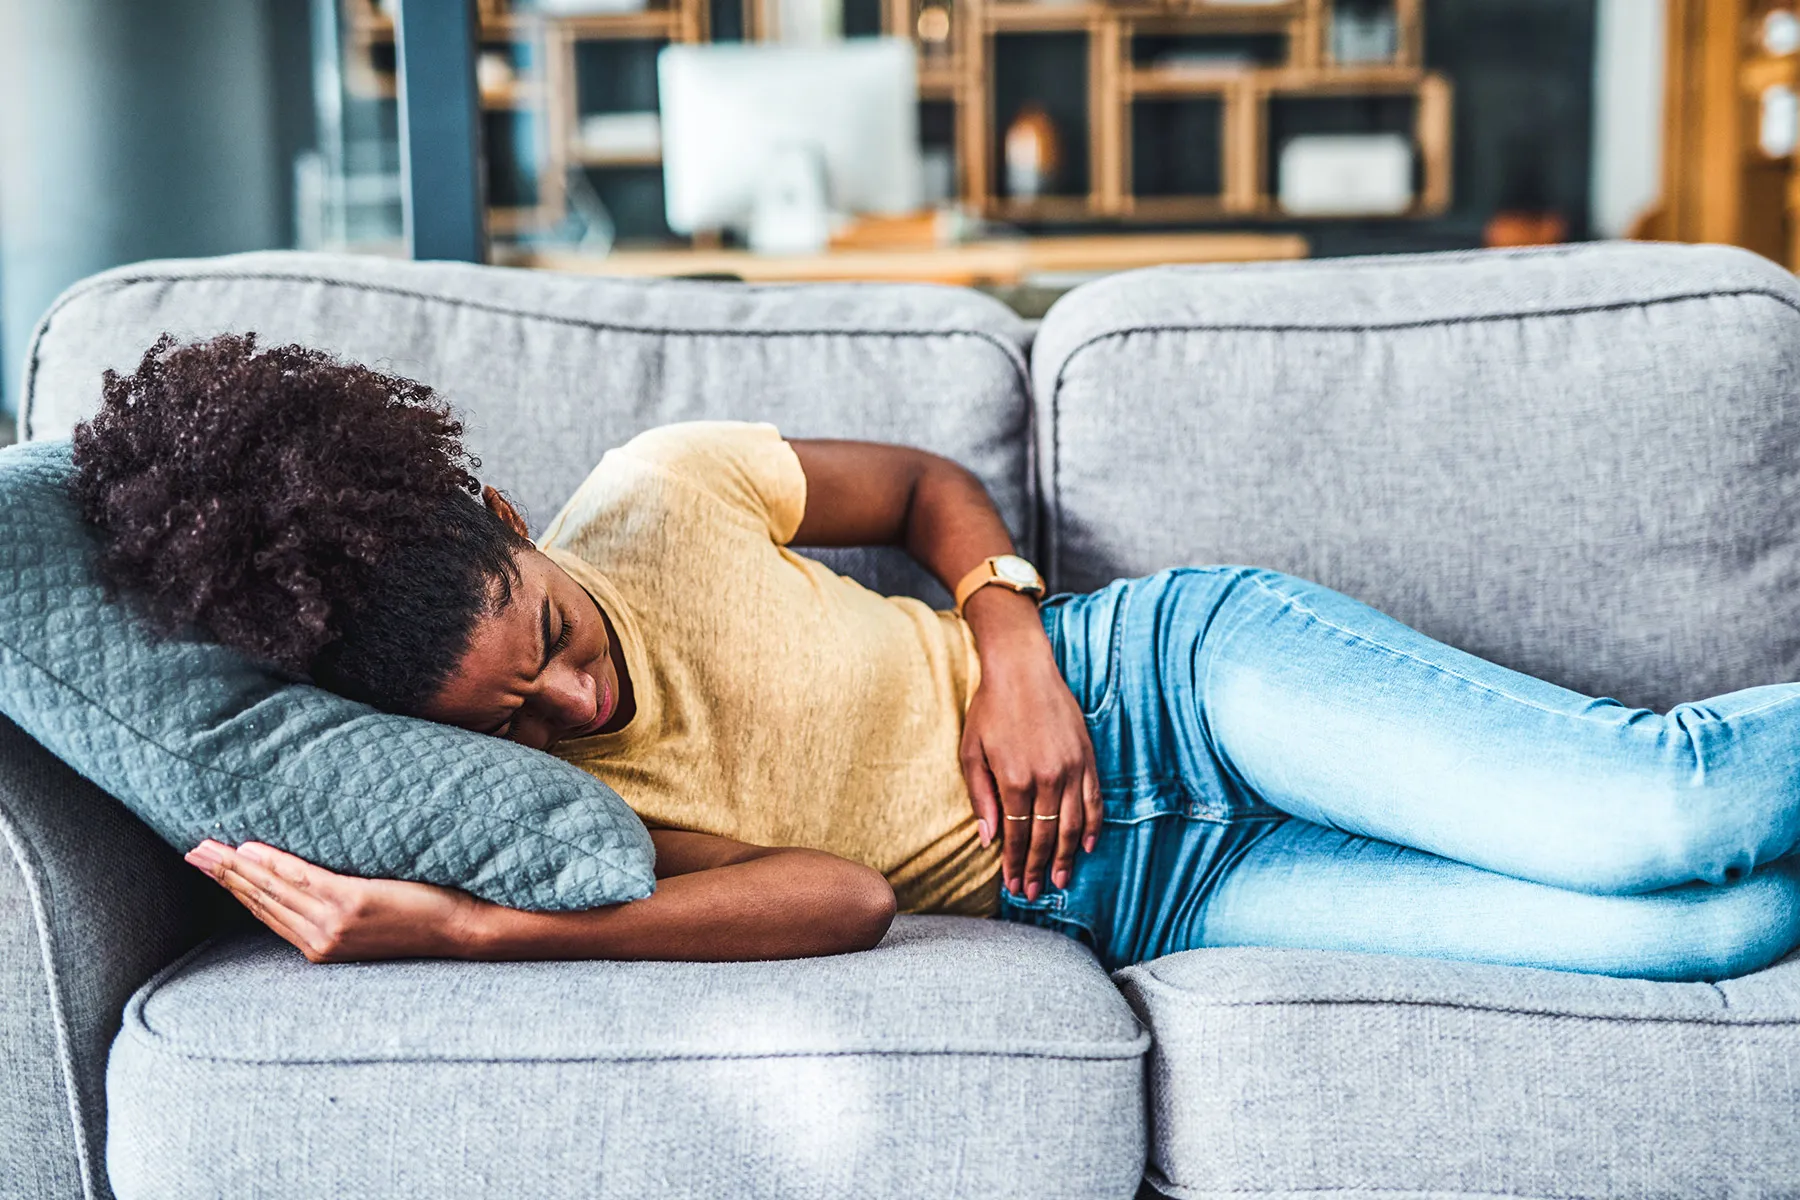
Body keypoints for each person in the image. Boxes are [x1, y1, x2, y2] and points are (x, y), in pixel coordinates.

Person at [73, 333, 1800, 981]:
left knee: (1651, 822)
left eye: (555, 641)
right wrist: (467, 928)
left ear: (512, 520)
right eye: (525, 715)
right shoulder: (512, 810)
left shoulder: (658, 494)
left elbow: (917, 485)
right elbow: (843, 898)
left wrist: (1015, 639)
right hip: (1142, 900)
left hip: (1167, 683)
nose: (577, 705)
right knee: (1707, 929)